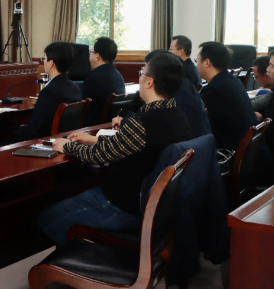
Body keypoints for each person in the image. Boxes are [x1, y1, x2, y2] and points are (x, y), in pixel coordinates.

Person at [37, 53, 193, 244]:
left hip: (123, 206)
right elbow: (135, 144)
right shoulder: (178, 115)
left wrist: (67, 146)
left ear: (149, 82)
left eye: (142, 73)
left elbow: (99, 156)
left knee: (48, 218)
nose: (140, 77)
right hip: (154, 206)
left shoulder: (143, 122)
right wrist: (94, 139)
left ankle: (80, 258)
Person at [12, 42, 82, 141]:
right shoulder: (75, 88)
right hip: (67, 141)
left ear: (51, 63)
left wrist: (16, 131)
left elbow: (34, 131)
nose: (43, 62)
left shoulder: (49, 92)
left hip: (45, 143)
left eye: (44, 58)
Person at [197, 42, 260, 151]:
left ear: (207, 62)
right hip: (250, 150)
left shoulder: (214, 89)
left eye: (197, 60)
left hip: (231, 152)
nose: (196, 64)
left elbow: (198, 122)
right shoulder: (233, 81)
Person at [146, 50, 210, 138]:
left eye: (146, 72)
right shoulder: (185, 84)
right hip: (201, 141)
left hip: (185, 143)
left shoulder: (166, 92)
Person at [80, 37, 126, 127]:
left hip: (94, 127)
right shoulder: (118, 76)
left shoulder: (94, 79)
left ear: (97, 56)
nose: (89, 54)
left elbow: (79, 104)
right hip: (111, 126)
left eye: (91, 52)